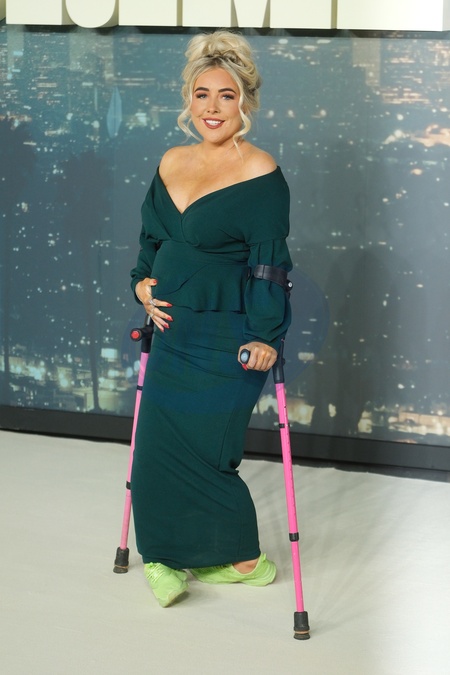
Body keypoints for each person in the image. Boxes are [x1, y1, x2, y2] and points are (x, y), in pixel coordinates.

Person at [130, 30, 292, 608]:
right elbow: (151, 241)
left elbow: (270, 264)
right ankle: (163, 558)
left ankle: (240, 558)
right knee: (154, 451)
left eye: (226, 95)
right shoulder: (171, 161)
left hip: (229, 337)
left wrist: (265, 334)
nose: (212, 107)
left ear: (245, 102)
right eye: (202, 95)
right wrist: (141, 285)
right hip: (172, 333)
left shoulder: (261, 172)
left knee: (208, 451)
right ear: (189, 101)